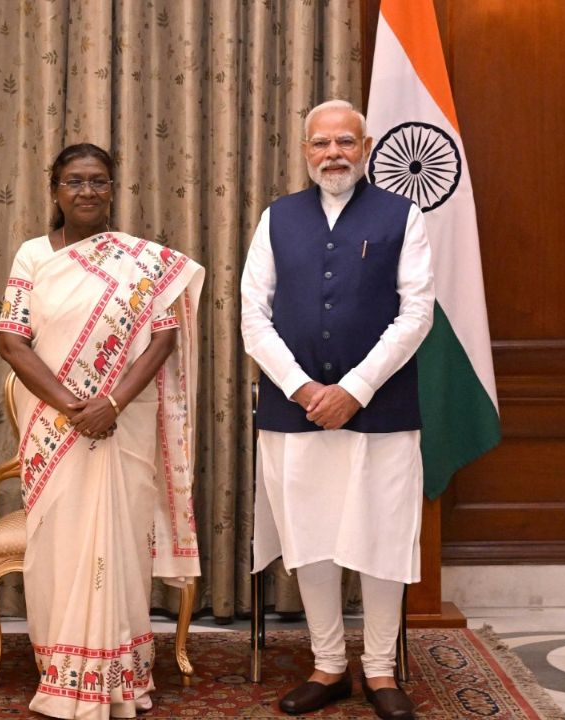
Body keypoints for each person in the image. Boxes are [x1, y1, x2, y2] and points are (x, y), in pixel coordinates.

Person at [240, 99, 434, 720]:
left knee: (382, 536)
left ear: (366, 147)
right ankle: (328, 665)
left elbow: (417, 313)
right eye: (321, 143)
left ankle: (379, 670)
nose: (333, 154)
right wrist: (303, 389)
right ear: (305, 151)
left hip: (381, 410)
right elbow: (252, 317)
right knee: (310, 535)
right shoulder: (276, 218)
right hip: (293, 412)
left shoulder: (402, 215)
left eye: (345, 142)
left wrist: (356, 388)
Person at [0, 143, 204, 719]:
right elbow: (11, 341)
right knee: (59, 547)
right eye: (74, 181)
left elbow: (163, 338)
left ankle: (120, 675)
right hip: (55, 427)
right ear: (55, 190)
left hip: (124, 424)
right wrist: (75, 408)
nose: (86, 191)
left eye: (98, 181)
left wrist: (111, 403)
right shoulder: (33, 255)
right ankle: (63, 672)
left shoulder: (143, 262)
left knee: (122, 545)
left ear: (113, 189)